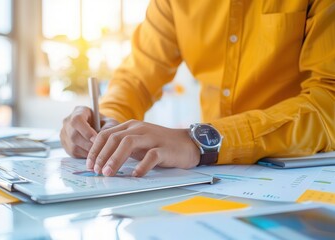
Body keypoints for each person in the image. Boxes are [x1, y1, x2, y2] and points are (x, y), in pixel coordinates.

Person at [60, 0, 335, 177]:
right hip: (214, 172)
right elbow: (137, 76)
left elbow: (328, 99)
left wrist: (199, 141)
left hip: (306, 168)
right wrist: (107, 121)